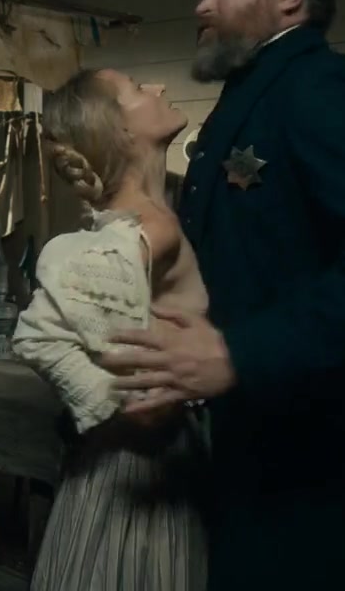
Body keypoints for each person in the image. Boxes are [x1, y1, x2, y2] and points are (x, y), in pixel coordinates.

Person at [98, 0, 345, 591]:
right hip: (262, 450)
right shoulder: (252, 93)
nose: (202, 4)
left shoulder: (321, 85)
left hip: (333, 472)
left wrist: (240, 353)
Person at [12, 69, 209, 591]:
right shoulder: (152, 228)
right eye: (139, 89)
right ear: (120, 130)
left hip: (127, 461)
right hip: (139, 466)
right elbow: (38, 335)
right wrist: (120, 402)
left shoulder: (135, 219)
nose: (160, 88)